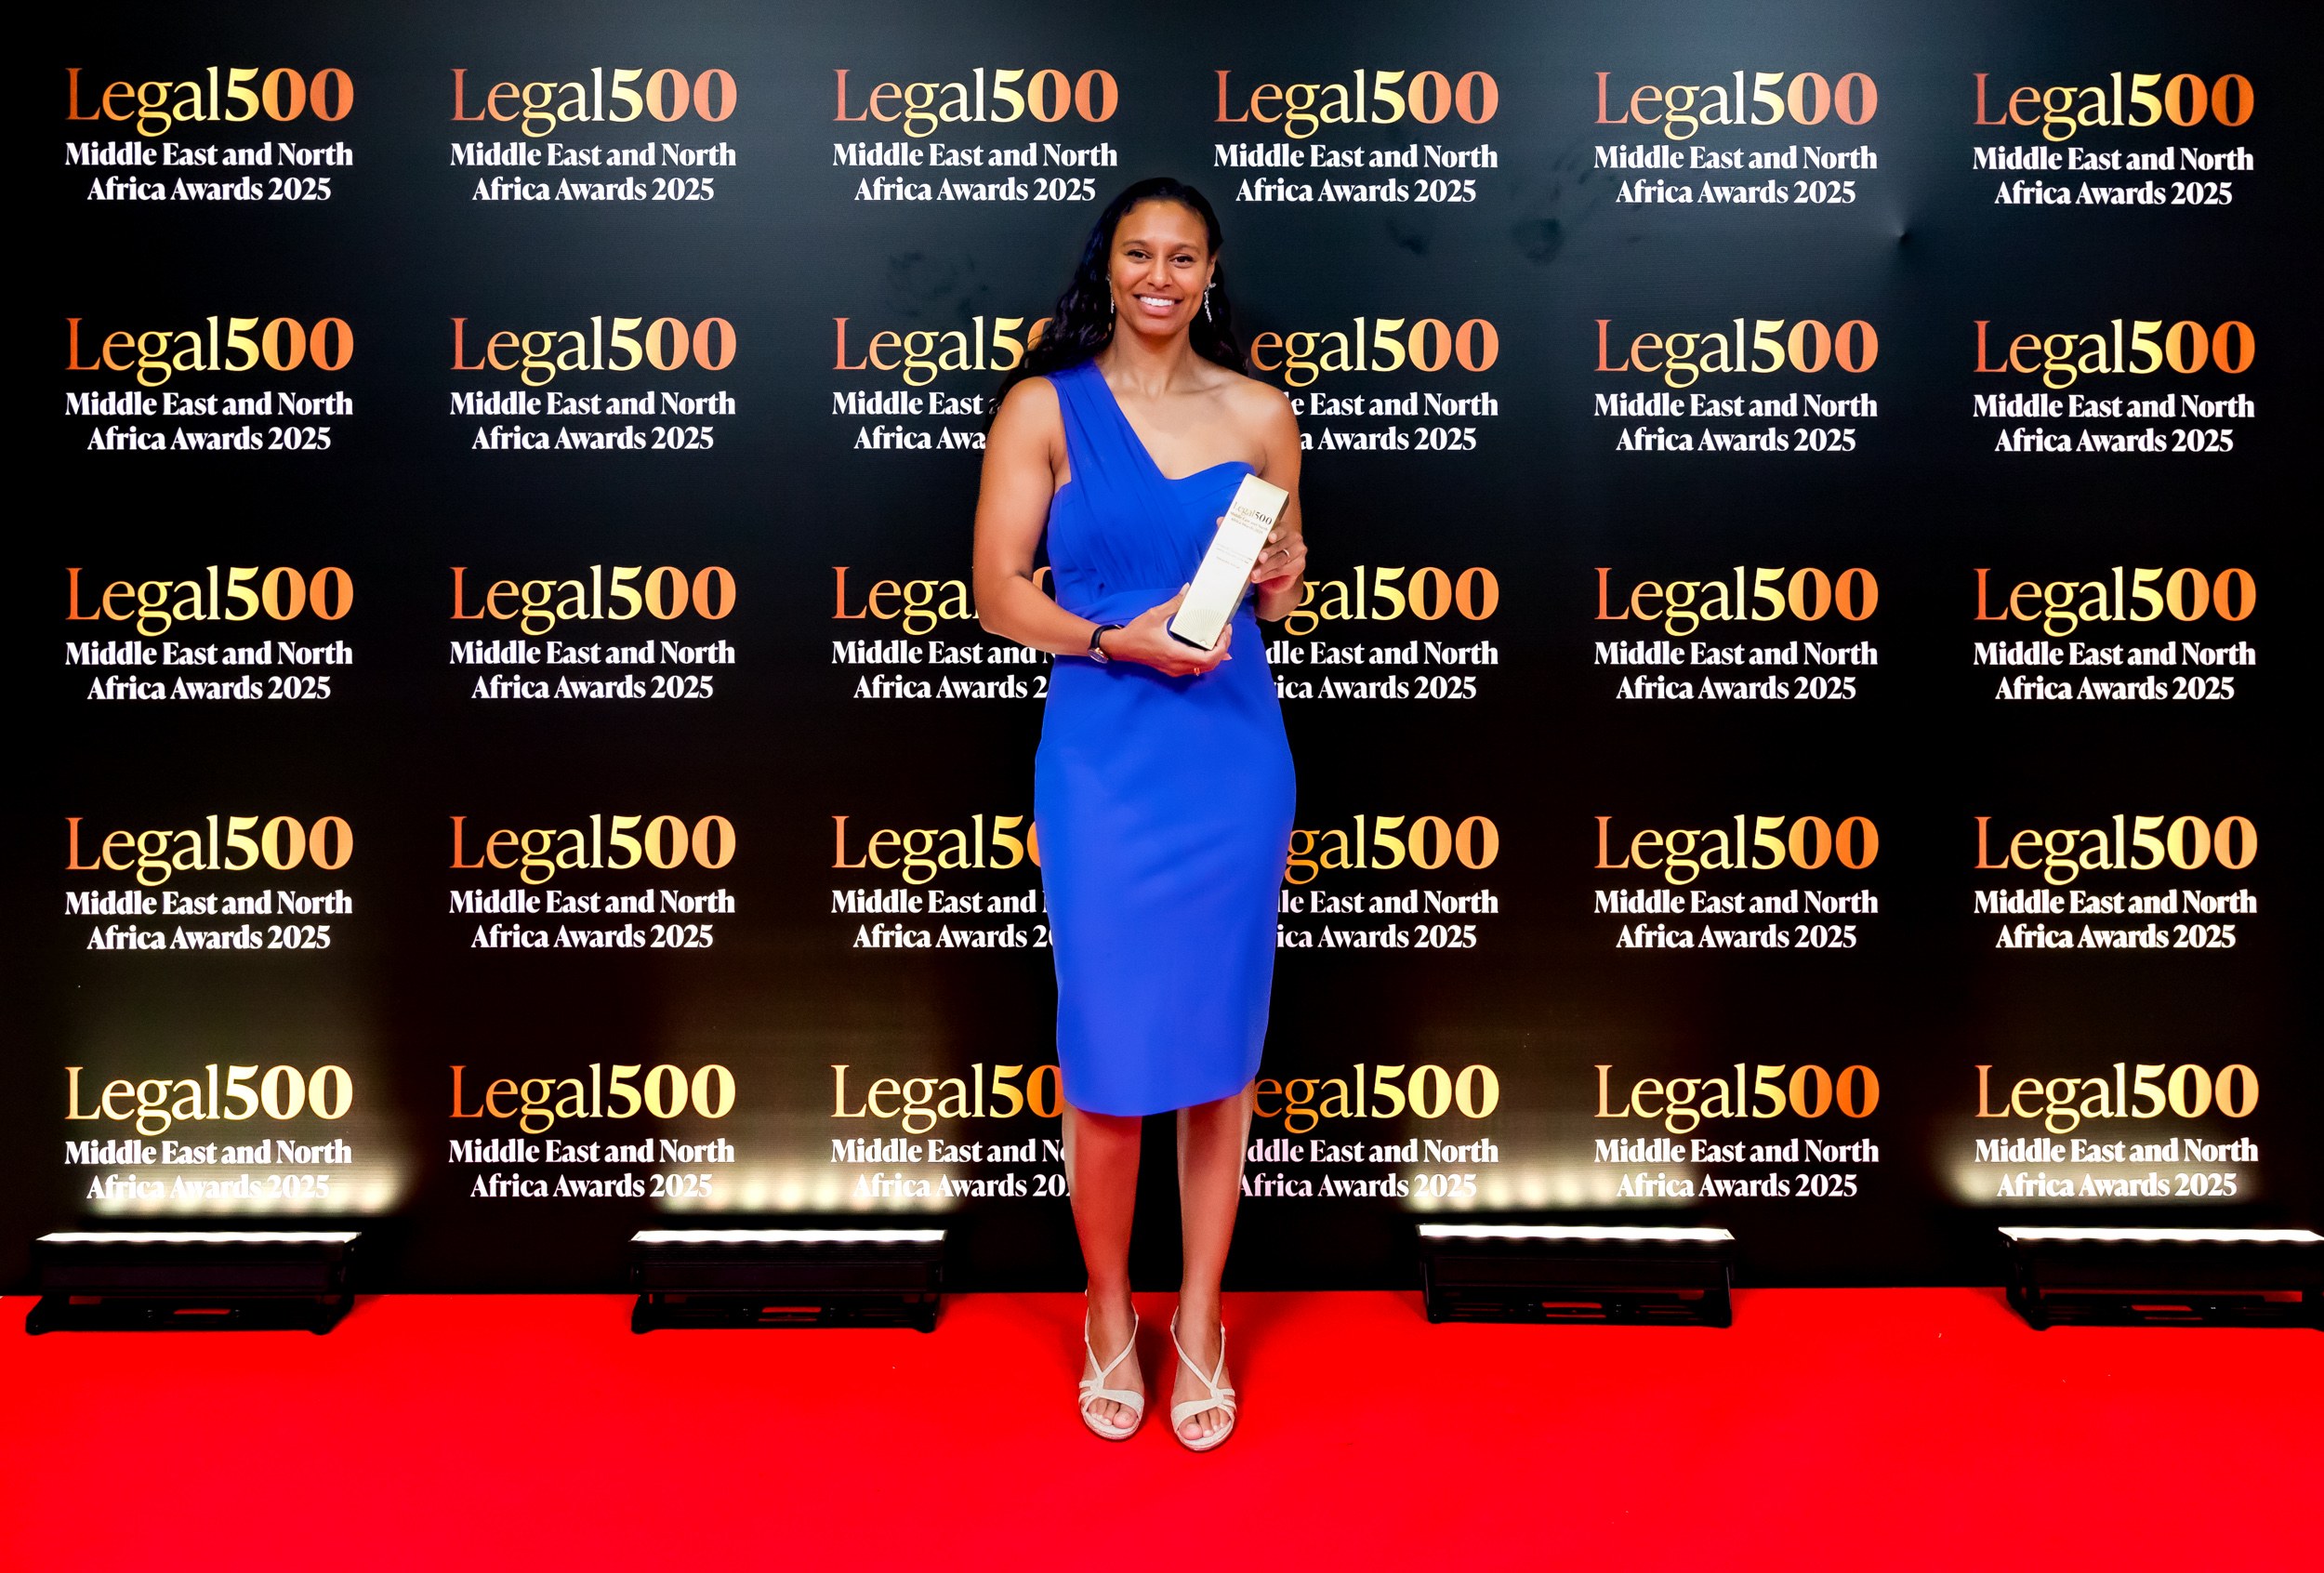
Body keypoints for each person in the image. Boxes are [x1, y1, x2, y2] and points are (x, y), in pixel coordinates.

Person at [972, 178, 1304, 1450]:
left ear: (1211, 273)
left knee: (1220, 1051)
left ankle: (1201, 1315)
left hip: (1231, 759)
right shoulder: (1042, 407)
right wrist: (1118, 637)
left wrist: (1284, 568)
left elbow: (1276, 596)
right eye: (1137, 253)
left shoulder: (1261, 411)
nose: (1159, 275)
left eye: (1183, 256)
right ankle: (1110, 1308)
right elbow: (1000, 595)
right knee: (1108, 1058)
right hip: (1104, 755)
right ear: (1105, 267)